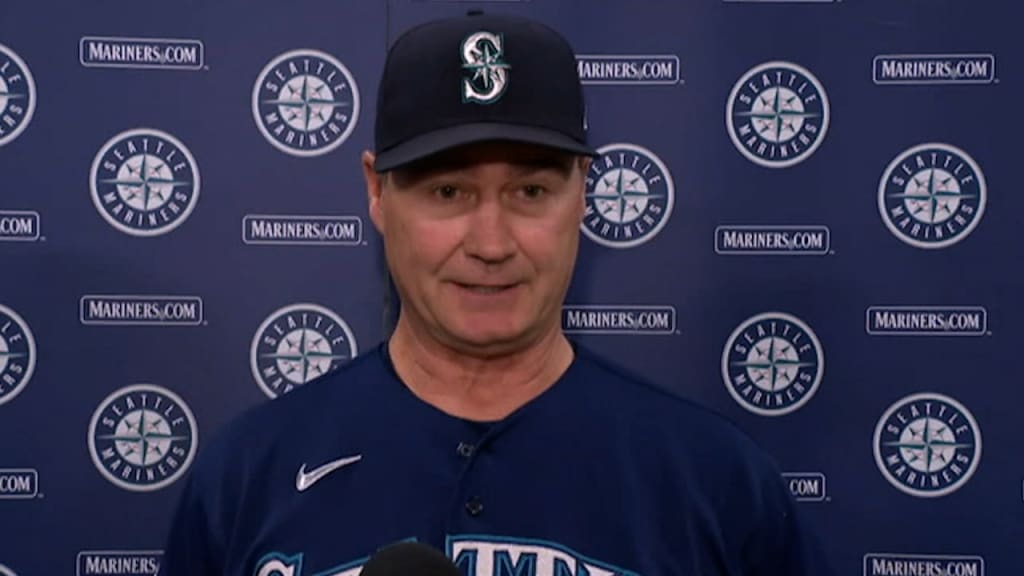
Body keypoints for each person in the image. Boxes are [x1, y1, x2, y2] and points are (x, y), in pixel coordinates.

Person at [162, 11, 834, 576]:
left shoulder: (718, 483)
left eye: (531, 192)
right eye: (448, 192)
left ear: (584, 190)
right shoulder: (245, 477)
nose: (491, 242)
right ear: (376, 192)